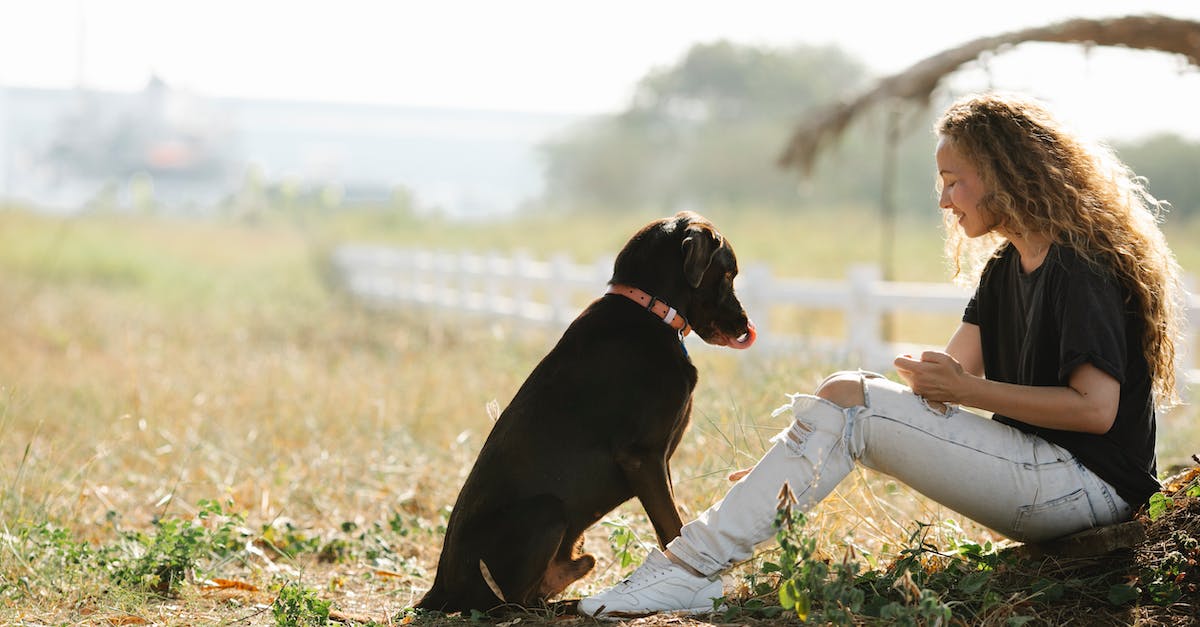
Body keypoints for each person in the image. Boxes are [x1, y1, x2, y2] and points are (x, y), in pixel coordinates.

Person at [578, 92, 1186, 617]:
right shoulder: (1005, 269)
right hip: (1043, 475)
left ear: (1005, 173)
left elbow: (1095, 410)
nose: (945, 200)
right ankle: (691, 566)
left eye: (954, 180)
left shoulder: (1079, 267)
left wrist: (954, 393)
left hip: (1091, 490)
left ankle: (687, 569)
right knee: (845, 394)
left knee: (852, 400)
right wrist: (797, 453)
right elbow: (937, 383)